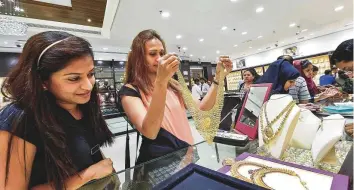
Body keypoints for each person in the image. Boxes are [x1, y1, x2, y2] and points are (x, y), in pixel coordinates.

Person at [0, 31, 114, 189]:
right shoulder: (21, 118)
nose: (88, 85)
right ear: (42, 81)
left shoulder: (83, 104)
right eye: (74, 78)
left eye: (91, 74)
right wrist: (87, 176)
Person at [119, 29, 232, 165]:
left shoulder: (173, 84)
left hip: (186, 153)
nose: (159, 58)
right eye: (152, 54)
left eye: (162, 53)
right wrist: (161, 82)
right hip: (160, 161)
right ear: (139, 58)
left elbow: (201, 108)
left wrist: (218, 78)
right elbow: (150, 132)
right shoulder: (130, 91)